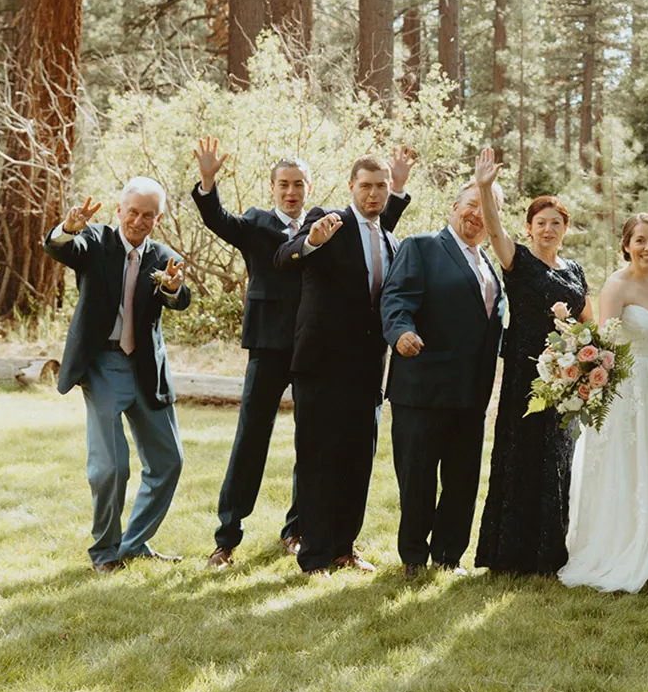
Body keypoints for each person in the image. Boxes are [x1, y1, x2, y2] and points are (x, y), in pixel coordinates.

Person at [192, 139, 415, 568]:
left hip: (326, 350)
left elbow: (373, 233)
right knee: (252, 441)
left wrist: (398, 188)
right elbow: (221, 221)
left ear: (310, 187)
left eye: (298, 184)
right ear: (273, 188)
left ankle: (298, 530)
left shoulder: (336, 224)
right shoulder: (260, 224)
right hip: (273, 344)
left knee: (314, 445)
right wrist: (207, 182)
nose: (291, 191)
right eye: (284, 184)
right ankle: (227, 536)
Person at [43, 179, 192, 573]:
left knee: (169, 461)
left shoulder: (163, 257)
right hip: (103, 365)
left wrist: (173, 288)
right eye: (133, 212)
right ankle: (105, 552)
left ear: (158, 218)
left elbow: (180, 297)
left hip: (147, 368)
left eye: (148, 215)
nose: (138, 221)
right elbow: (60, 247)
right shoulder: (95, 241)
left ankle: (134, 543)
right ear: (119, 210)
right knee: (111, 468)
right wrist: (68, 228)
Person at [274, 154, 412, 574]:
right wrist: (312, 241)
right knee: (317, 459)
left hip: (368, 369)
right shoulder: (328, 221)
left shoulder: (390, 241)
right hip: (320, 365)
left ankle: (343, 549)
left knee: (358, 460)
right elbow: (284, 257)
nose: (373, 193)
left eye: (381, 186)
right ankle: (314, 555)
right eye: (366, 185)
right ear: (351, 186)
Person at [380, 172, 507, 578]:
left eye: (487, 209)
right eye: (471, 204)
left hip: (471, 394)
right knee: (417, 479)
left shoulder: (491, 267)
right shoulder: (421, 247)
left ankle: (449, 557)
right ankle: (414, 558)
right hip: (423, 389)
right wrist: (401, 333)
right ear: (454, 207)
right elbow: (396, 299)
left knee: (462, 480)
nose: (477, 214)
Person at [472, 149, 591, 575]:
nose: (547, 229)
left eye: (555, 223)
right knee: (522, 455)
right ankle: (510, 555)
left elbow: (588, 321)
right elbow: (494, 230)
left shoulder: (575, 270)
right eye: (540, 222)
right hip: (526, 373)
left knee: (559, 456)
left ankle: (552, 554)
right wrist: (485, 188)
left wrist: (591, 361)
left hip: (567, 377)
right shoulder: (517, 260)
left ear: (565, 229)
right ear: (529, 227)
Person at [561, 212, 648, 592]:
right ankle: (626, 544)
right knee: (632, 463)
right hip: (630, 390)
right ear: (627, 245)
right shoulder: (616, 286)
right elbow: (604, 346)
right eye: (640, 240)